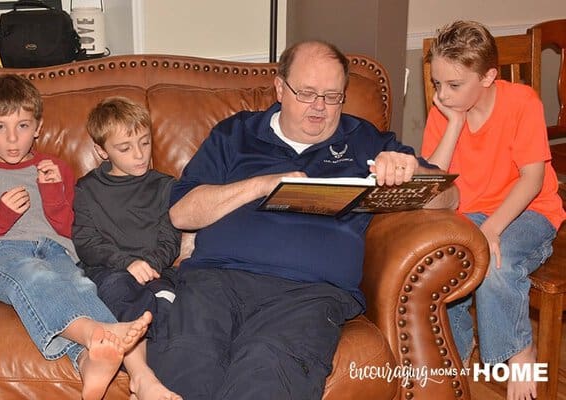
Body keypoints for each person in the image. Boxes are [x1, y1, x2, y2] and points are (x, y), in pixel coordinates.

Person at [151, 40, 459, 399]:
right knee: (186, 365)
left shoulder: (364, 140)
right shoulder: (236, 134)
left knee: (267, 372)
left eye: (332, 96)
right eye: (308, 93)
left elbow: (449, 197)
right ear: (280, 88)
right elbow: (181, 212)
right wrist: (262, 185)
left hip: (309, 293)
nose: (319, 107)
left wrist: (411, 171)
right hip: (216, 281)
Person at [0, 74, 153, 400]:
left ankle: (97, 365)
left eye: (23, 126)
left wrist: (52, 196)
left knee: (82, 287)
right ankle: (100, 332)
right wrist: (0, 217)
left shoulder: (57, 168)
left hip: (57, 251)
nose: (12, 138)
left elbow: (75, 232)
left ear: (38, 127)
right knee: (32, 275)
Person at [421, 20, 566, 400]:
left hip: (529, 212)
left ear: (487, 77)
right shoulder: (445, 111)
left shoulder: (522, 103)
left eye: (454, 85)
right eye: (436, 83)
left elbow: (532, 181)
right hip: (470, 214)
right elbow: (431, 182)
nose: (442, 94)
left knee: (496, 265)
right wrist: (453, 123)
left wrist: (493, 229)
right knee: (443, 263)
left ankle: (518, 351)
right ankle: (455, 352)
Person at [72, 96, 182, 400]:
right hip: (108, 272)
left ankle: (152, 384)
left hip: (156, 272)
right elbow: (86, 242)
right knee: (120, 288)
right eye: (125, 148)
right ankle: (141, 378)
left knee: (171, 306)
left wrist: (148, 265)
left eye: (145, 143)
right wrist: (127, 263)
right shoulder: (88, 189)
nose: (140, 155)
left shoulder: (165, 186)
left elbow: (169, 240)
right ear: (101, 151)